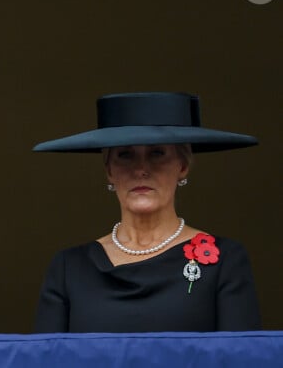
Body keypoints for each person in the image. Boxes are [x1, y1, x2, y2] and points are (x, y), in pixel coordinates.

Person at [32, 92, 261, 332]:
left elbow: (241, 356)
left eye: (157, 153)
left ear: (182, 166)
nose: (141, 169)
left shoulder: (225, 261)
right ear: (109, 170)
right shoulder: (69, 268)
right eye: (125, 155)